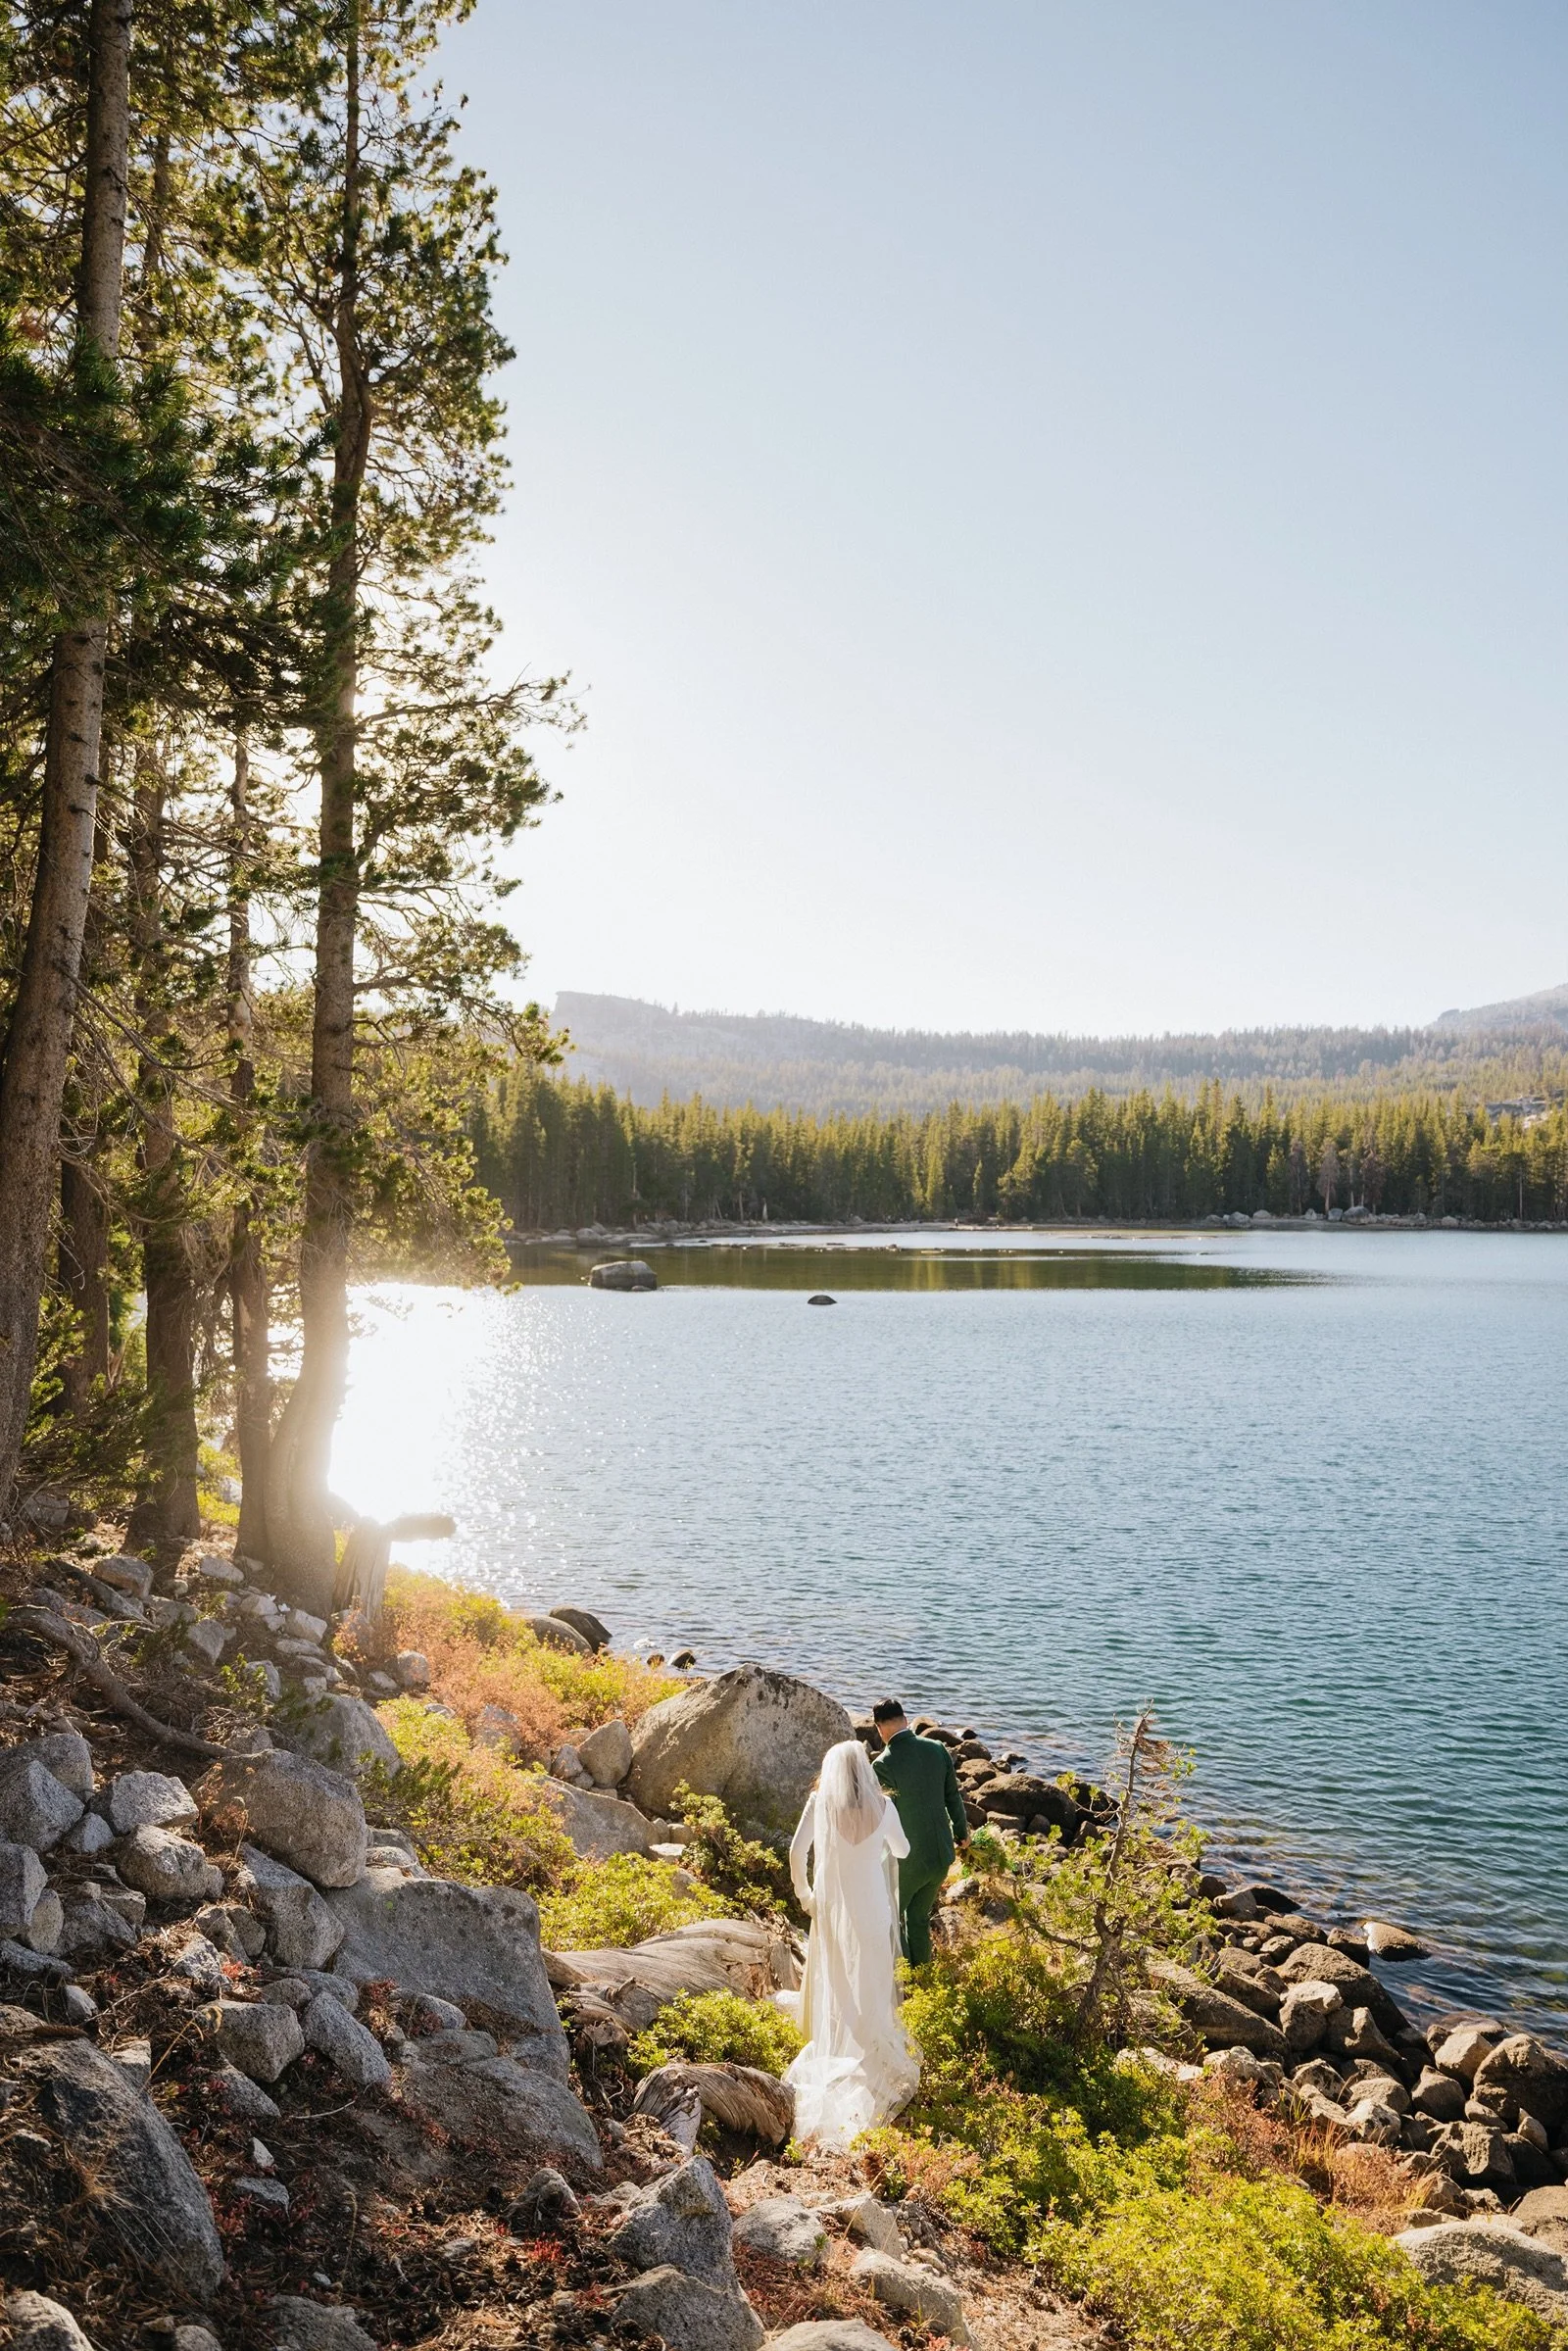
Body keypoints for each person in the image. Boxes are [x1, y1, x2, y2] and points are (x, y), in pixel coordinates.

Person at [777, 1738, 920, 2148]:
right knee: (873, 1978)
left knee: (834, 1975)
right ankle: (868, 2049)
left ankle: (834, 2042)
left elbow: (796, 1851)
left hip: (833, 1909)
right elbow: (903, 1850)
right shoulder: (884, 1807)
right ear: (866, 1771)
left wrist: (803, 1894)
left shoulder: (821, 1802)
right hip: (873, 1907)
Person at [870, 1697, 969, 1967]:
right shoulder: (937, 1749)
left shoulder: (881, 1765)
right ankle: (923, 1978)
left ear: (879, 1728)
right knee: (918, 1918)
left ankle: (906, 1984)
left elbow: (881, 1821)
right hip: (940, 1857)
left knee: (892, 1917)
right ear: (905, 1719)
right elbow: (953, 1797)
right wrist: (963, 1834)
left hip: (908, 1862)